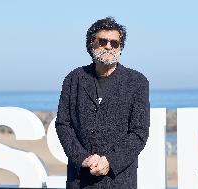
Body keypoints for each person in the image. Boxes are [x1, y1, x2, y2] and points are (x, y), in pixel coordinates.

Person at [55, 16, 150, 189]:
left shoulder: (137, 82)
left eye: (114, 43)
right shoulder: (73, 79)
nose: (108, 46)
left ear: (120, 48)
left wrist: (110, 161)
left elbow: (139, 132)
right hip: (80, 180)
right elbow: (63, 124)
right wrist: (82, 157)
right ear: (92, 43)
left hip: (119, 180)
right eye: (103, 41)